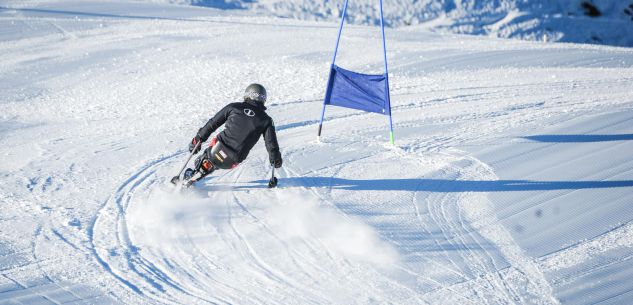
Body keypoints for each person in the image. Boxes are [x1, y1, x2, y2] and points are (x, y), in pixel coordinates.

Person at [182, 83, 282, 186]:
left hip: (218, 148)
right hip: (234, 159)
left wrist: (198, 139)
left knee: (206, 157)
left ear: (248, 94)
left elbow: (213, 123)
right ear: (263, 99)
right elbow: (271, 143)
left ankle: (195, 174)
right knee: (217, 162)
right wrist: (276, 160)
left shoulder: (234, 107)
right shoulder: (266, 120)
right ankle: (202, 171)